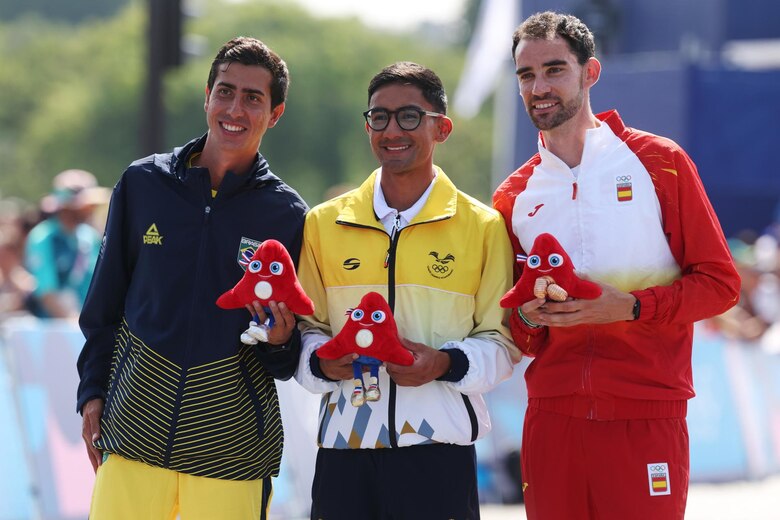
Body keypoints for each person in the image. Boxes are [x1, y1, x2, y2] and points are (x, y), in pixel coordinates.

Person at [492, 12, 741, 520]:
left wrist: (628, 307)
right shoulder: (514, 195)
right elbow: (515, 328)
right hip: (552, 417)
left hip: (645, 413)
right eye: (525, 74)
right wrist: (530, 318)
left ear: (591, 73)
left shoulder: (659, 162)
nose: (538, 87)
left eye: (555, 69)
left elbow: (720, 284)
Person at [76, 37, 308, 520]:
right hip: (135, 432)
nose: (235, 108)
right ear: (207, 96)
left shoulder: (288, 214)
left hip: (232, 450)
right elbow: (103, 306)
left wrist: (281, 341)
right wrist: (92, 395)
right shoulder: (143, 183)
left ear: (276, 113)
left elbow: (287, 358)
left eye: (253, 98)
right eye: (225, 91)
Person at [294, 61, 520, 520]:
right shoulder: (322, 222)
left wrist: (444, 364)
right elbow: (305, 331)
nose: (393, 129)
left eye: (410, 116)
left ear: (443, 128)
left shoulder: (483, 226)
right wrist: (321, 360)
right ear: (368, 126)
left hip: (438, 452)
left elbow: (503, 343)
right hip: (343, 450)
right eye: (380, 117)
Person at [24, 169, 102, 319]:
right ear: (68, 206)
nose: (92, 209)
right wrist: (74, 322)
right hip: (54, 331)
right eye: (87, 205)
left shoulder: (90, 237)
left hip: (85, 326)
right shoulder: (43, 237)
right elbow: (47, 292)